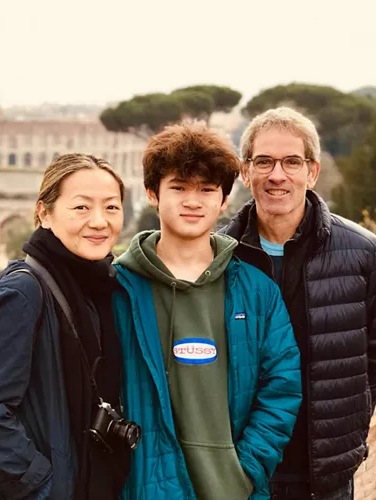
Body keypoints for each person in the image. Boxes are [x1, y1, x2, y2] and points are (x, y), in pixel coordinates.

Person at [112, 122, 303, 500]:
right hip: (142, 489)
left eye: (206, 189)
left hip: (232, 489)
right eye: (178, 187)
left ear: (224, 199)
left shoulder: (257, 290)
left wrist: (246, 470)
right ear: (152, 193)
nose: (192, 201)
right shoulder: (117, 289)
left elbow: (282, 386)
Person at [219, 107, 376, 500]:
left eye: (291, 162)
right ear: (245, 171)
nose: (277, 175)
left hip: (324, 467)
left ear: (312, 171)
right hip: (238, 465)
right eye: (263, 161)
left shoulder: (364, 254)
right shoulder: (217, 255)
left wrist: (345, 430)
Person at [0, 153, 133, 500]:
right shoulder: (20, 295)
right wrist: (43, 487)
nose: (99, 221)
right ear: (44, 212)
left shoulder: (98, 287)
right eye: (81, 208)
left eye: (111, 208)